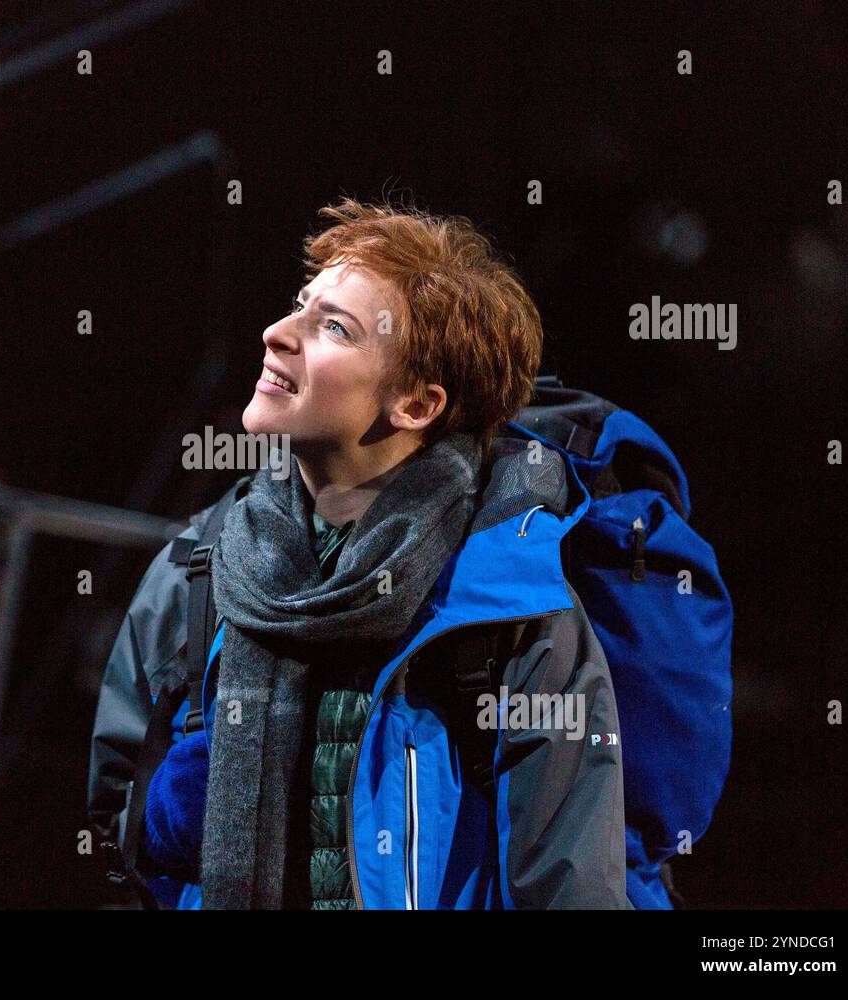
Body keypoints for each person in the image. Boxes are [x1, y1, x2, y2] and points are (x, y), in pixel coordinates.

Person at [88, 196, 631, 910]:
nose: (278, 334)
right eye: (299, 305)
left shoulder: (510, 608)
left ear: (416, 404)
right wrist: (164, 820)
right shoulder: (200, 567)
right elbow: (111, 831)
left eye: (332, 328)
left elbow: (570, 892)